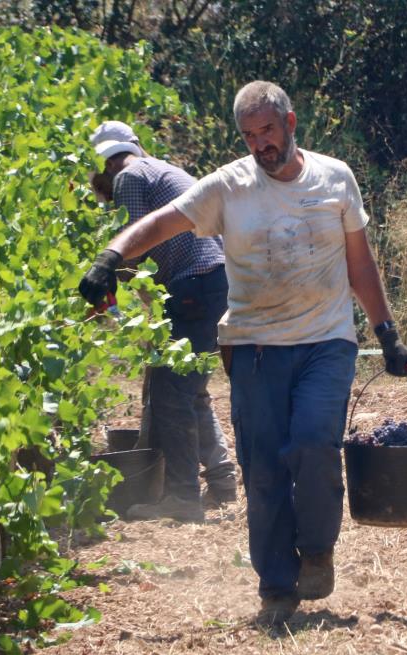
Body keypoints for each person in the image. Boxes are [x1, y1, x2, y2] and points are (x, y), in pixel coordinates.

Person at [78, 82, 407, 626]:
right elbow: (164, 221)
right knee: (262, 467)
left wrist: (387, 332)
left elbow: (360, 261)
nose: (261, 145)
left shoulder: (335, 178)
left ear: (290, 122)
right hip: (254, 346)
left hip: (326, 342)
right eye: (250, 136)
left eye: (268, 131)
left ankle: (319, 548)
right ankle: (276, 585)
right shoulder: (228, 186)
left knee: (312, 440)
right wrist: (111, 254)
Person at [87, 121, 238, 523]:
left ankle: (183, 497)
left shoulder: (129, 177)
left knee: (171, 391)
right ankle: (222, 482)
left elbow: (136, 245)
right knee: (190, 386)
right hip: (215, 281)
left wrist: (110, 292)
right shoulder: (164, 170)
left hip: (192, 283)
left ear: (104, 164)